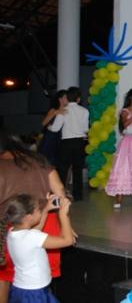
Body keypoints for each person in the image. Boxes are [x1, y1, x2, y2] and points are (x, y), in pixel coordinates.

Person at [0, 130, 69, 303]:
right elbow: (60, 191)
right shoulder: (40, 161)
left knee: (6, 277)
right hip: (47, 224)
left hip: (12, 225)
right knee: (43, 278)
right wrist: (65, 220)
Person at [2, 193, 75, 303]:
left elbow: (35, 231)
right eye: (38, 210)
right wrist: (63, 215)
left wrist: (46, 210)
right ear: (29, 217)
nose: (40, 211)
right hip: (34, 292)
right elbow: (68, 241)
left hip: (23, 288)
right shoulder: (31, 237)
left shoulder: (13, 231)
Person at [48, 86, 89, 201]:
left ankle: (59, 195)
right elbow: (86, 129)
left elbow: (55, 129)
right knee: (77, 170)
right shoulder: (85, 111)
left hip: (66, 143)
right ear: (78, 99)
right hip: (79, 143)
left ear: (67, 98)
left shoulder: (63, 111)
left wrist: (49, 127)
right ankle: (78, 196)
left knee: (62, 170)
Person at [38, 90, 67, 167]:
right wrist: (55, 113)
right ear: (60, 99)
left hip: (61, 140)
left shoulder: (68, 111)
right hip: (50, 138)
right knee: (46, 162)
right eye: (66, 97)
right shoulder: (53, 110)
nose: (68, 99)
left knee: (60, 164)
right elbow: (43, 123)